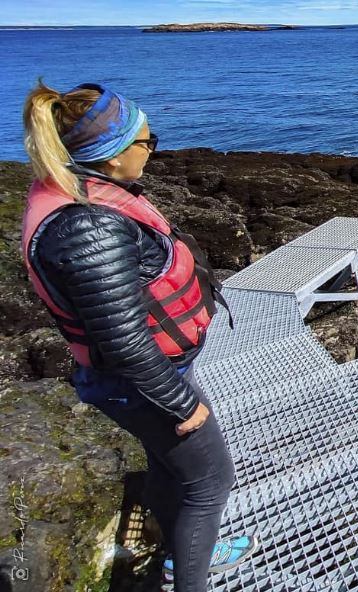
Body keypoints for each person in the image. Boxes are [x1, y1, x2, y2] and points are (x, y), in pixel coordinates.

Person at [21, 81, 259, 592]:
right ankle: (190, 569)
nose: (152, 151)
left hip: (153, 375)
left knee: (171, 469)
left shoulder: (86, 198)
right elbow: (125, 341)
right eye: (147, 142)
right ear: (111, 155)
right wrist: (181, 405)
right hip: (144, 382)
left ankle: (175, 541)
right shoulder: (88, 227)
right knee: (210, 485)